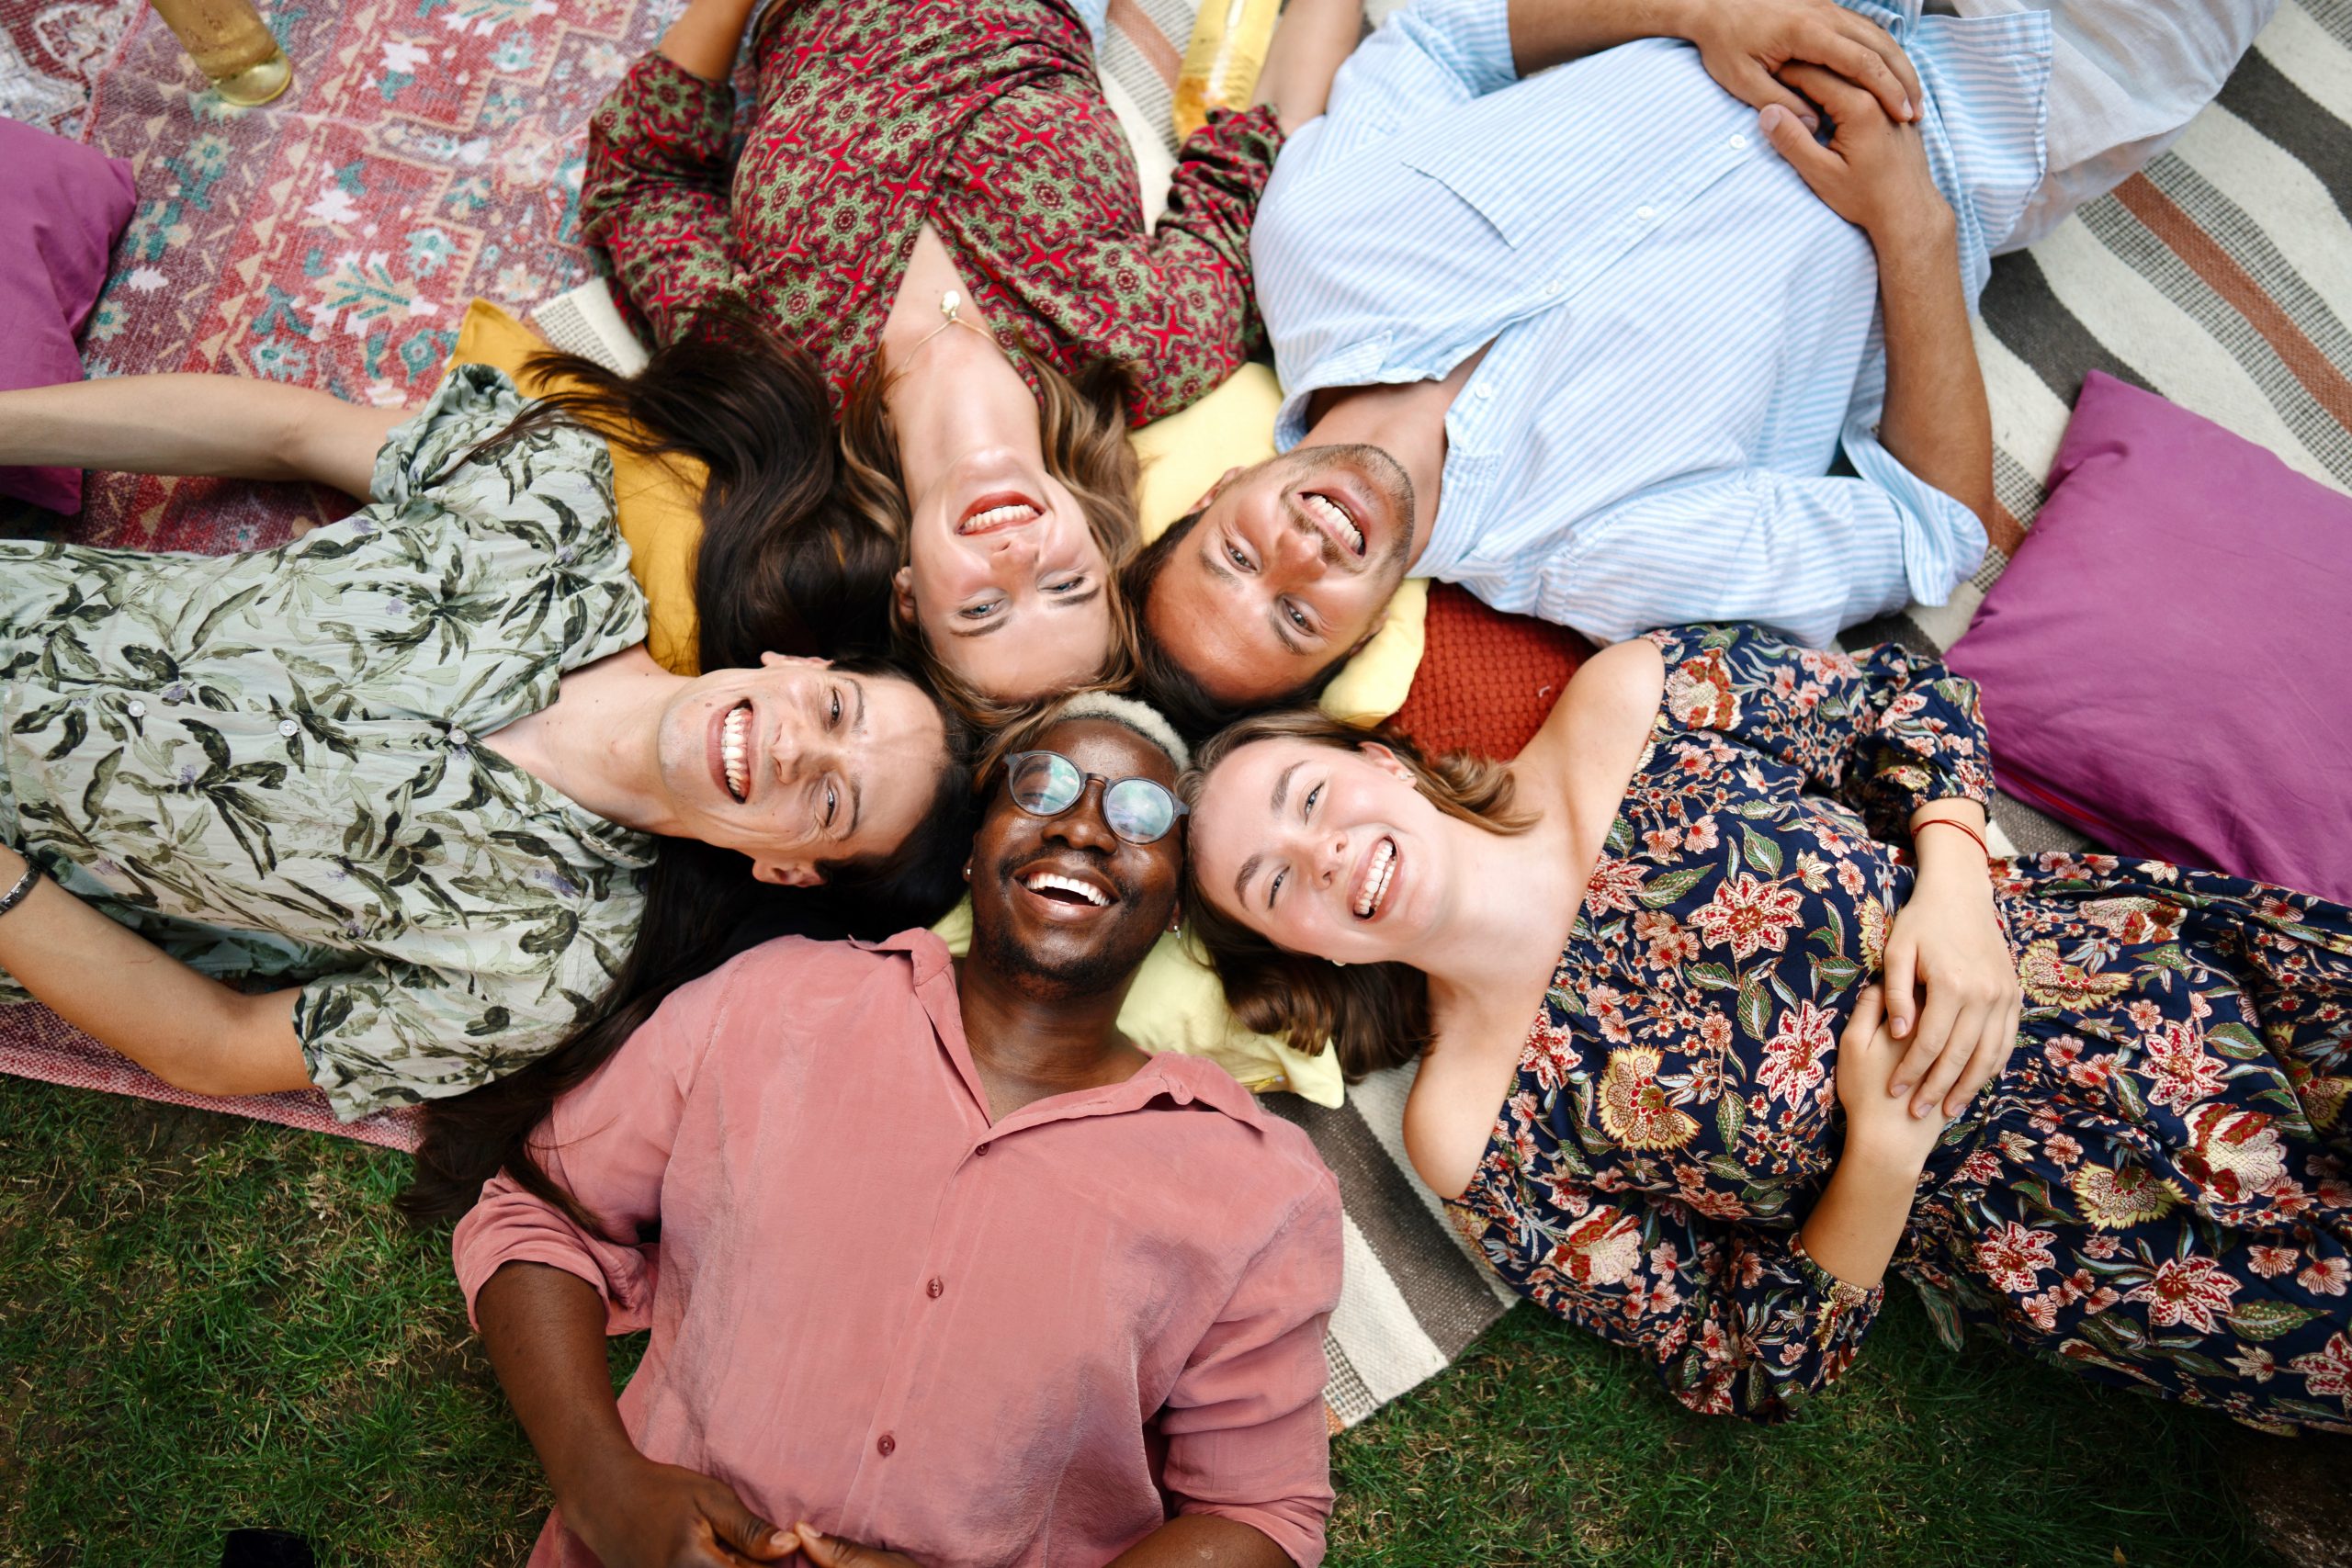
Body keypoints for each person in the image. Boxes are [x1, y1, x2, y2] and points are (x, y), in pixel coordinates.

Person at [1181, 624, 2352, 1429]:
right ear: (1310, 954)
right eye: (1272, 885)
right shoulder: (1477, 1130)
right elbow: (1739, 1358)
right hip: (2113, 1262)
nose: (1320, 852)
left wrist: (1954, 889)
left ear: (1380, 760)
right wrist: (1885, 1156)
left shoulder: (1628, 702)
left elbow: (1902, 699)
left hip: (2168, 983)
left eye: (1311, 796)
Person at [1125, 0, 2273, 727]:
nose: (1299, 553)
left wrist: (1693, 15)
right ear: (1370, 633)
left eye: (1237, 555)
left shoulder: (1314, 242)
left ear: (1221, 490)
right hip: (2020, 94)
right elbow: (1938, 530)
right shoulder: (1615, 565)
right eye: (1296, 618)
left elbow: (1433, 33)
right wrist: (1907, 224)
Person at [435, 695, 1343, 1567]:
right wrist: (604, 1485)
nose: (1083, 828)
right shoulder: (772, 997)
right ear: (972, 849)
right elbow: (536, 1217)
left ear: (1178, 901)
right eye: (1041, 790)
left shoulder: (1258, 1188)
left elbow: (1260, 1513)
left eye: (1143, 814)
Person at [0, 358, 975, 1121]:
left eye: (832, 801)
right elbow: (291, 432)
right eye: (839, 710)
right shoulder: (543, 518)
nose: (804, 749)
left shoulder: (539, 967)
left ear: (791, 872)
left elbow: (211, 1047)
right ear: (794, 668)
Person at [582, 0, 1368, 714]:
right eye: (1067, 585)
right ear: (1100, 546)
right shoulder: (1149, 342)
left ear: (910, 600)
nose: (1017, 556)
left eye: (983, 609)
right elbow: (1264, 141)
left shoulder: (774, 382)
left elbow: (639, 180)